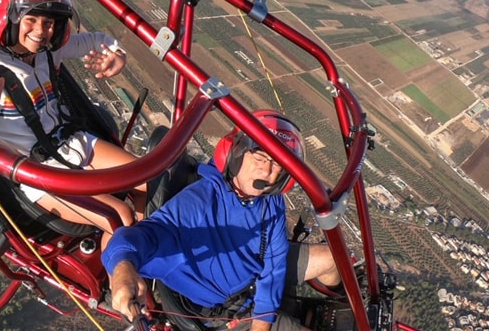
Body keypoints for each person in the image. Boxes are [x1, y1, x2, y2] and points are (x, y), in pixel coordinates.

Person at [102, 110, 342, 330]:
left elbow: (274, 268)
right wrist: (123, 269)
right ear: (236, 152)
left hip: (255, 280)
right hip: (225, 312)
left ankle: (346, 301)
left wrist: (264, 316)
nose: (267, 171)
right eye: (260, 157)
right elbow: (136, 238)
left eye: (278, 163)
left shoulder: (270, 200)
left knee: (334, 260)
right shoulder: (198, 203)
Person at [0, 0, 145, 247]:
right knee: (119, 216)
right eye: (31, 20)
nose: (41, 31)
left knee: (149, 180)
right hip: (38, 171)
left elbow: (98, 40)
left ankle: (145, 247)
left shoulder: (48, 53)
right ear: (11, 19)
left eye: (49, 22)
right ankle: (123, 279)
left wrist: (117, 53)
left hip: (73, 143)